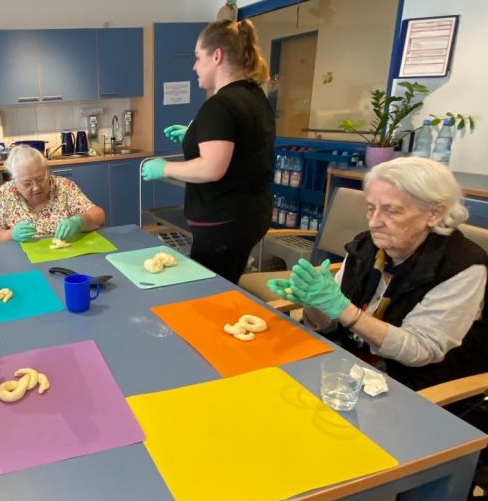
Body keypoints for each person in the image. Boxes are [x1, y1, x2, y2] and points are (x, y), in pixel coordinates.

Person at [268, 157, 488, 392]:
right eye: (370, 208)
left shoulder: (463, 267)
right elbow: (331, 325)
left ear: (434, 214)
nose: (374, 223)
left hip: (414, 386)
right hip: (348, 364)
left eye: (391, 211)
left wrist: (343, 309)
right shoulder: (365, 246)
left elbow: (419, 350)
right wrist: (313, 303)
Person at [140, 19, 274, 283]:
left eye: (198, 57)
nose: (194, 66)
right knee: (228, 282)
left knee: (209, 291)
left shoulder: (221, 104)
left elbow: (212, 168)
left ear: (217, 56)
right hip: (251, 214)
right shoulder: (255, 97)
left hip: (223, 224)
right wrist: (194, 135)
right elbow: (241, 146)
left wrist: (163, 167)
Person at [0, 144, 106, 243]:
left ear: (47, 172)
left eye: (40, 179)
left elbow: (99, 216)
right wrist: (10, 234)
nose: (36, 188)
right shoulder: (3, 194)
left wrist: (78, 222)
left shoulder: (64, 186)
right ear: (15, 181)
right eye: (27, 184)